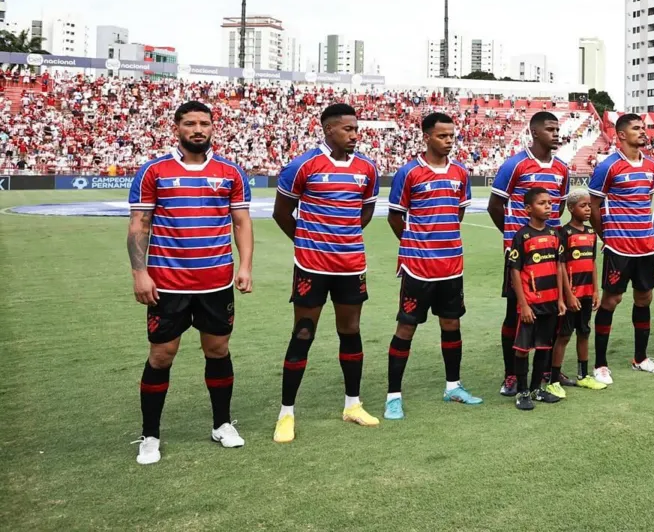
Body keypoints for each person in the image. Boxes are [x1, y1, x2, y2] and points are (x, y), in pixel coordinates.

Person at [127, 101, 253, 465]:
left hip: (216, 281)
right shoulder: (154, 171)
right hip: (166, 283)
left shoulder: (230, 171)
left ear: (213, 127)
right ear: (176, 128)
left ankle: (222, 424)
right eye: (190, 123)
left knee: (217, 351)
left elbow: (241, 223)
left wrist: (245, 265)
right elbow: (139, 226)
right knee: (161, 355)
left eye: (204, 123)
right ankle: (150, 435)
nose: (198, 129)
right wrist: (140, 272)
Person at [271, 103, 380, 444]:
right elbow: (281, 212)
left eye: (356, 129)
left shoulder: (367, 168)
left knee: (351, 331)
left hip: (351, 265)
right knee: (303, 333)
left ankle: (352, 405)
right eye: (348, 129)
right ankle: (286, 413)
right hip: (311, 266)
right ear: (329, 129)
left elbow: (366, 211)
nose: (354, 135)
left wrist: (342, 239)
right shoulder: (303, 165)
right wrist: (309, 241)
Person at [384, 112, 482, 421]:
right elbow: (395, 217)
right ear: (427, 137)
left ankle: (453, 386)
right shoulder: (409, 173)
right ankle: (393, 396)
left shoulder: (460, 174)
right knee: (406, 327)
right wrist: (416, 244)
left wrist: (442, 240)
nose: (449, 141)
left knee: (451, 325)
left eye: (452, 135)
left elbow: (457, 215)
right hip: (418, 266)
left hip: (452, 264)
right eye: (442, 136)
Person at [487, 111, 569, 397]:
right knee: (516, 315)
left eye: (557, 129)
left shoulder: (562, 168)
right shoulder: (515, 164)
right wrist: (516, 241)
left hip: (551, 256)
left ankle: (546, 371)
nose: (556, 133)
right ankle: (511, 375)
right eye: (550, 129)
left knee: (552, 314)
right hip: (522, 261)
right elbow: (495, 206)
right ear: (535, 132)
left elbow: (557, 210)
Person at [588, 113, 654, 384]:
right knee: (611, 300)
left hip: (646, 246)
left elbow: (645, 201)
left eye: (644, 128)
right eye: (636, 128)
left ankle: (641, 358)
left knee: (644, 299)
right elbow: (594, 206)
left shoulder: (652, 166)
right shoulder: (608, 167)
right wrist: (606, 236)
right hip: (619, 247)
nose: (643, 132)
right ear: (621, 135)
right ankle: (600, 364)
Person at [508, 188, 565, 410]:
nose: (548, 206)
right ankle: (522, 391)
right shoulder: (522, 236)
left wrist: (560, 298)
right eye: (542, 203)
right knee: (522, 348)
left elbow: (559, 268)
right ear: (529, 209)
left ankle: (536, 389)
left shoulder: (554, 234)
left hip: (550, 302)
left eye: (550, 203)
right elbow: (515, 271)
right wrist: (523, 304)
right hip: (530, 304)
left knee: (544, 346)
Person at [550, 189, 607, 394]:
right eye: (583, 206)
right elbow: (561, 266)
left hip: (586, 294)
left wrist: (595, 291)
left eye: (590, 205)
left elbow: (592, 263)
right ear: (571, 208)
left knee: (584, 333)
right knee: (564, 335)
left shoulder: (591, 233)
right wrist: (569, 295)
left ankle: (583, 376)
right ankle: (554, 380)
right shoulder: (563, 233)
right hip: (571, 296)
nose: (588, 209)